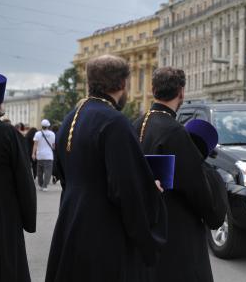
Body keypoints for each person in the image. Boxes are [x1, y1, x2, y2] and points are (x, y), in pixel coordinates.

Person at [45, 55, 167, 282]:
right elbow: (127, 186)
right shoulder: (114, 121)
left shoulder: (72, 117)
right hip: (103, 230)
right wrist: (151, 190)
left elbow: (62, 172)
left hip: (72, 220)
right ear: (122, 84)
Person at [134, 67, 226, 282]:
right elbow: (195, 186)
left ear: (153, 89)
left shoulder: (136, 124)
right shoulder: (174, 131)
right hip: (174, 228)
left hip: (146, 224)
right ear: (182, 92)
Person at [0, 72, 37, 282]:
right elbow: (24, 178)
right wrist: (28, 218)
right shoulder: (7, 133)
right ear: (0, 104)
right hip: (2, 213)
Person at [32, 119, 55, 191]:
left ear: (42, 126)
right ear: (48, 126)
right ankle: (45, 186)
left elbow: (35, 145)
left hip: (40, 155)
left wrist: (33, 154)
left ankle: (41, 184)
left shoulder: (37, 134)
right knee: (48, 171)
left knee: (40, 171)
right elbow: (53, 145)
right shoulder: (52, 134)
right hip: (49, 156)